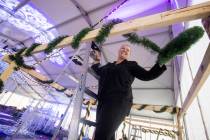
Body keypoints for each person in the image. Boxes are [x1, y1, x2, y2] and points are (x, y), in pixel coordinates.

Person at [91, 44, 167, 140]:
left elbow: (147, 76)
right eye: (123, 48)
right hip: (103, 103)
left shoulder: (131, 65)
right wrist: (97, 60)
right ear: (119, 50)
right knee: (107, 135)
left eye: (128, 50)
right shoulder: (108, 66)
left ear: (129, 54)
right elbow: (98, 71)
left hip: (118, 103)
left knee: (101, 134)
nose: (125, 50)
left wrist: (161, 62)